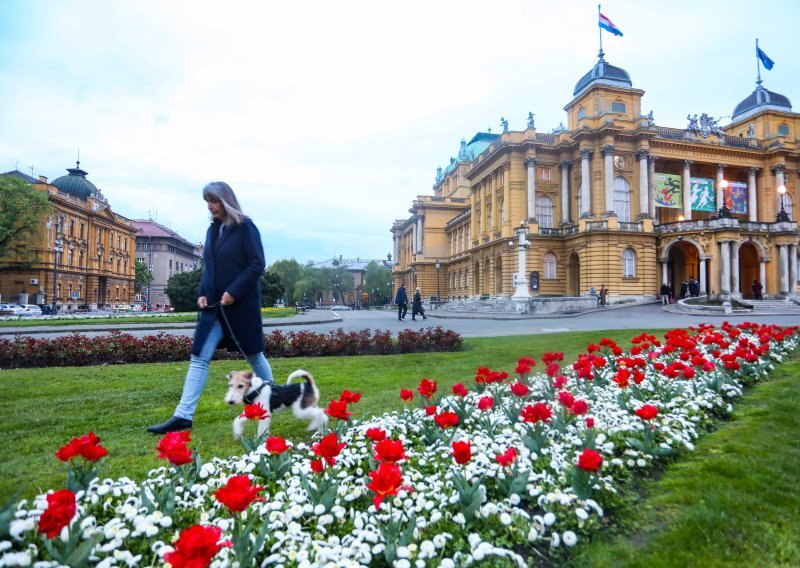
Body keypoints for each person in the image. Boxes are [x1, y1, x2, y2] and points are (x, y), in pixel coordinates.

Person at [148, 181, 274, 434]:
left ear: (226, 201)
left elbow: (257, 264)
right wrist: (203, 292)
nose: (210, 206)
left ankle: (269, 397)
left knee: (253, 355)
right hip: (213, 309)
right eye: (208, 202)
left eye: (214, 201)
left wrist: (233, 292)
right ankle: (183, 417)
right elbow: (210, 267)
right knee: (199, 358)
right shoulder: (211, 231)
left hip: (241, 307)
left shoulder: (245, 228)